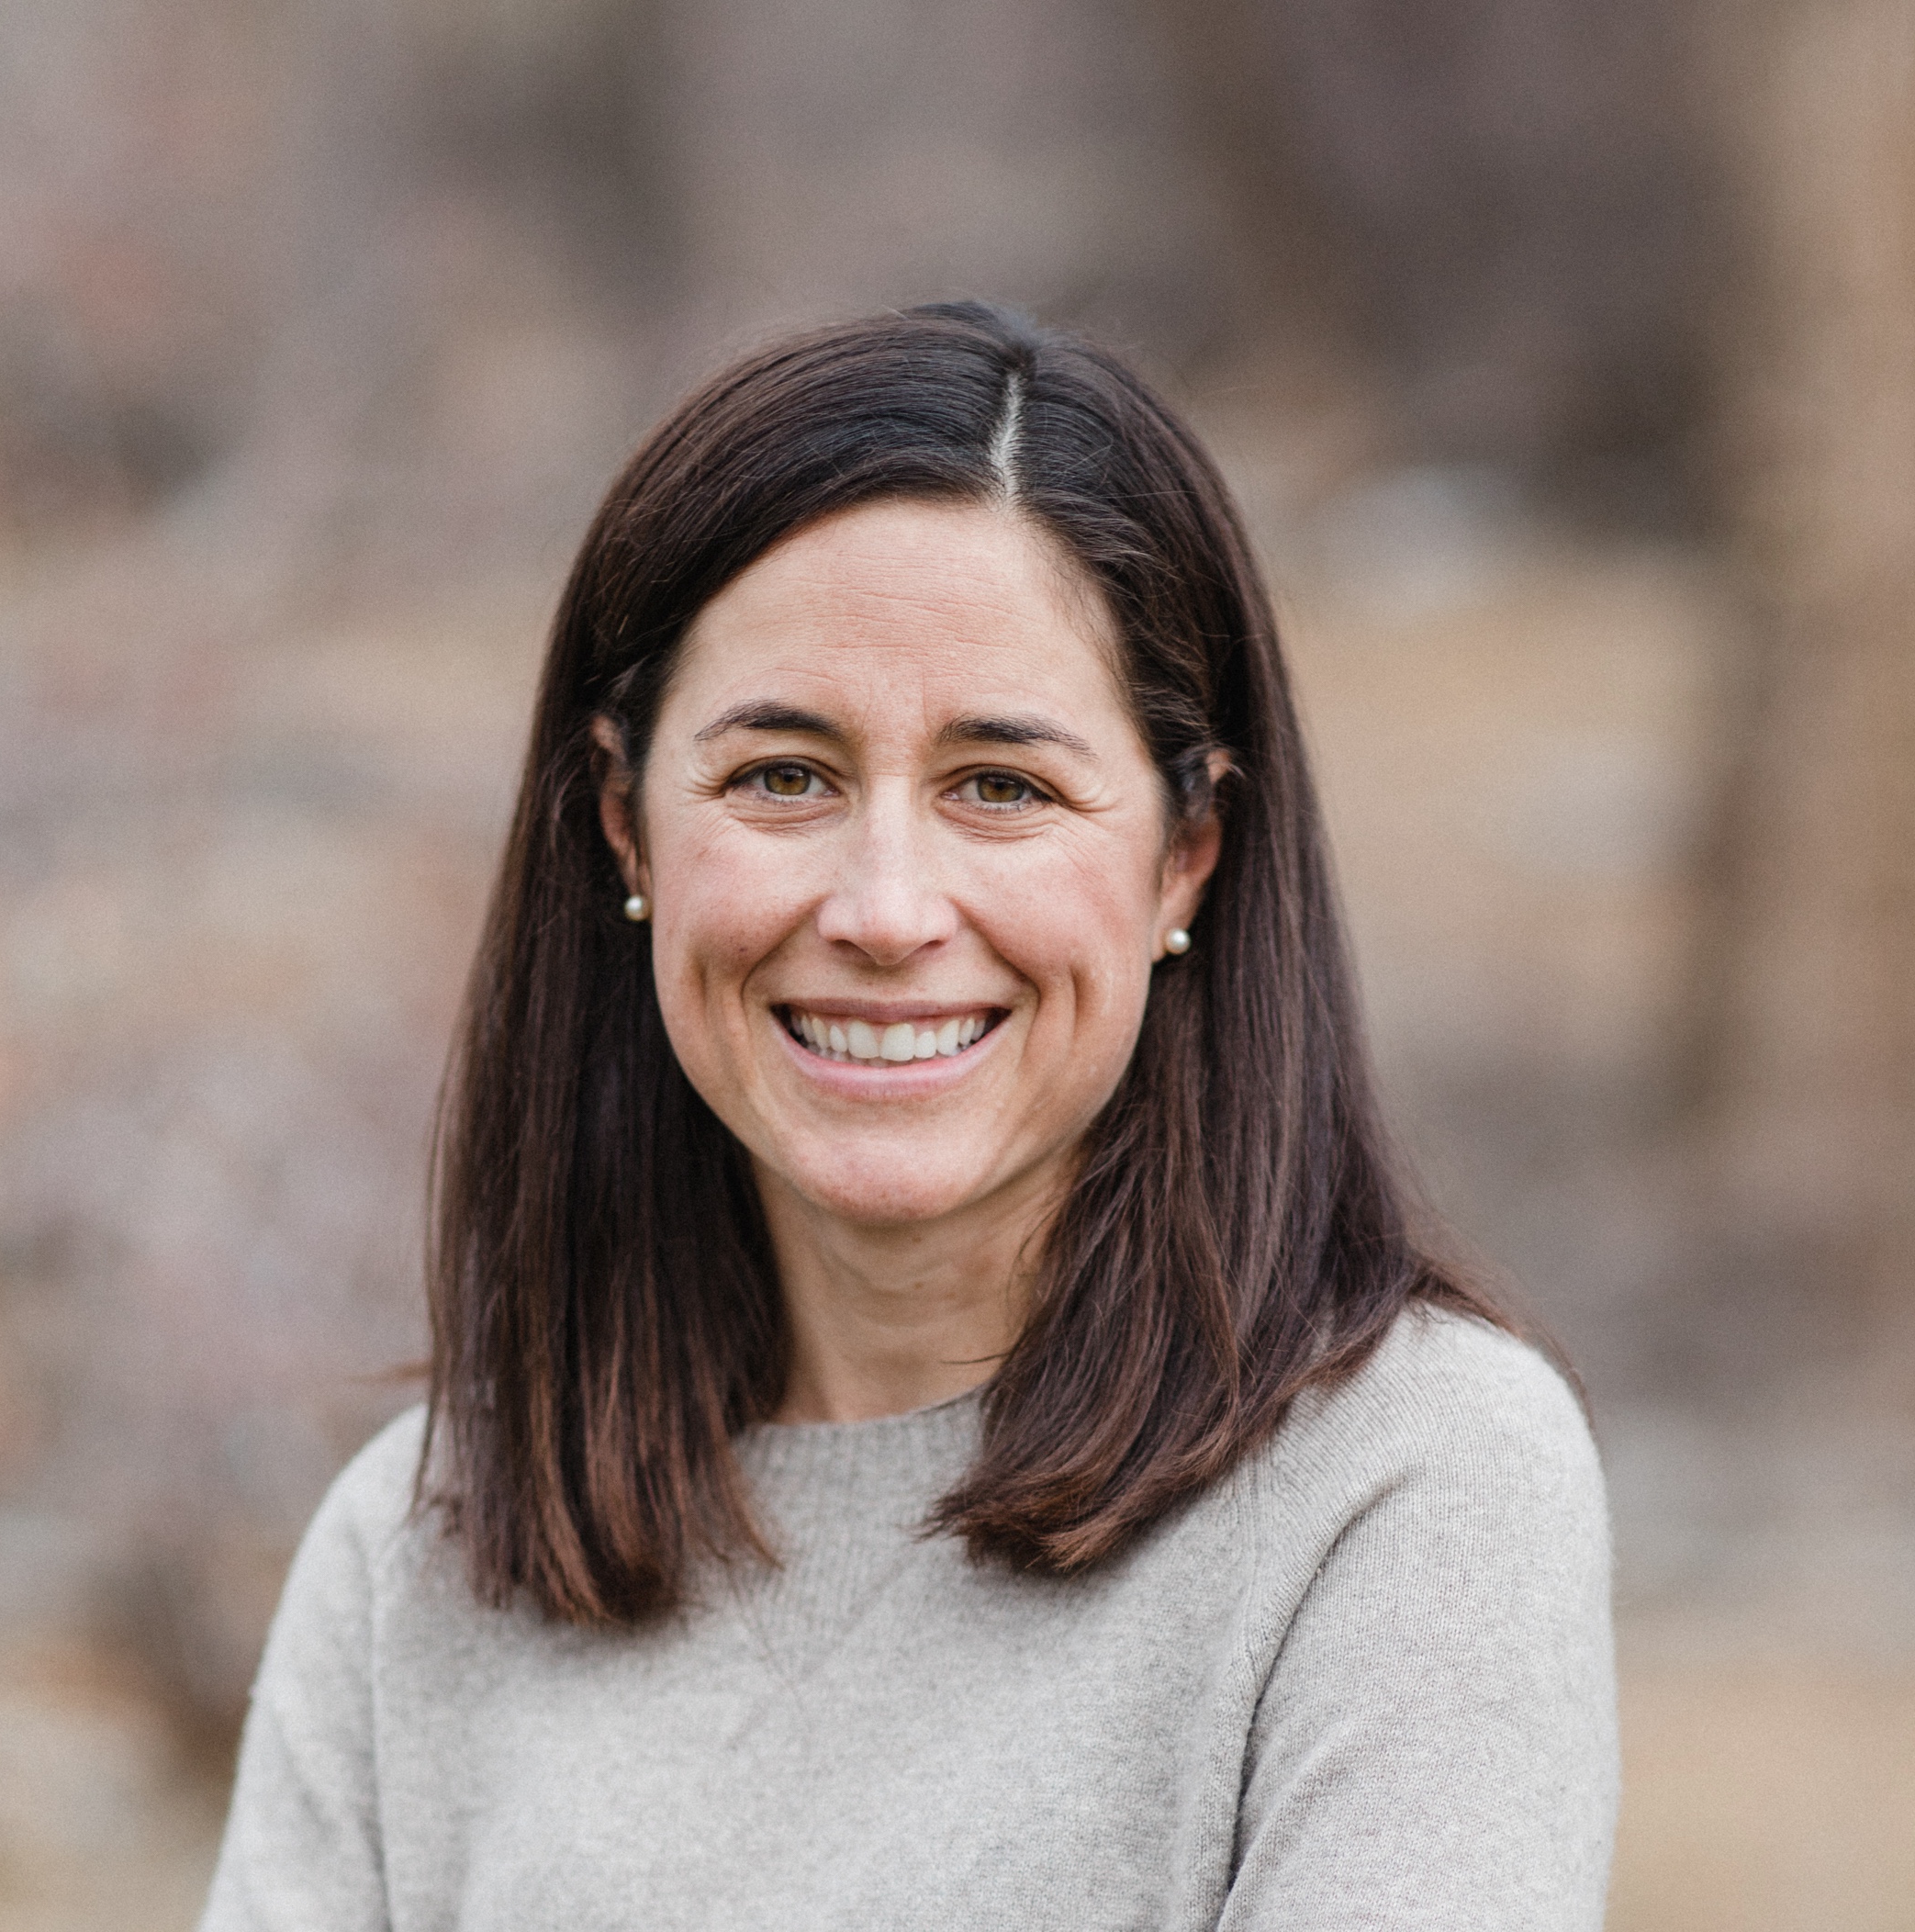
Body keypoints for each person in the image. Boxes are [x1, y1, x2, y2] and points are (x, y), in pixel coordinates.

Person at [199, 302, 1617, 1930]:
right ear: (626, 833)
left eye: (1000, 787)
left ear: (1184, 857)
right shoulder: (418, 1549)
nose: (884, 908)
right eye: (781, 776)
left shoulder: (1408, 1489)